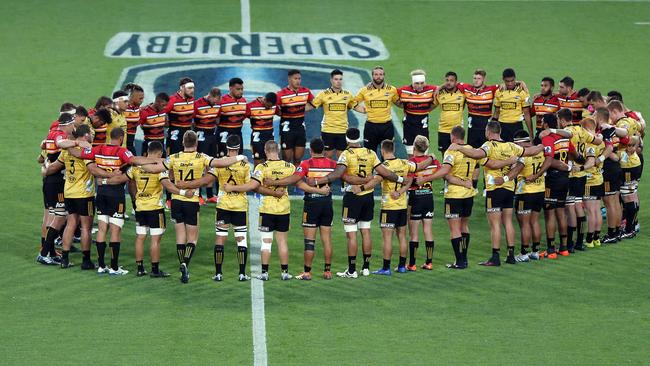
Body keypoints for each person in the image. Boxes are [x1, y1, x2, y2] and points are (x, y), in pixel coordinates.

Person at [319, 128, 431, 278]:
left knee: (351, 234)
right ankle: (366, 267)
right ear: (359, 139)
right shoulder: (371, 153)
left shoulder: (346, 154)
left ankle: (352, 270)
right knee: (366, 231)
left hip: (353, 196)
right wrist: (399, 180)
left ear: (347, 139)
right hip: (369, 198)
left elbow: (340, 174)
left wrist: (319, 181)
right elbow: (384, 172)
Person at [140, 130, 248, 283]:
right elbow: (220, 163)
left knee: (180, 237)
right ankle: (185, 262)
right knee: (192, 238)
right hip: (191, 201)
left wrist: (138, 163)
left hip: (176, 200)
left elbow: (154, 169)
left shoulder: (173, 158)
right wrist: (240, 157)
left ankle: (182, 266)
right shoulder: (201, 157)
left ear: (183, 143)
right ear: (196, 143)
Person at [448, 121, 542, 266]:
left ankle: (495, 256)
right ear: (500, 131)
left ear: (488, 131)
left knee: (495, 224)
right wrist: (544, 145)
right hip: (509, 187)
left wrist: (459, 148)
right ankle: (511, 255)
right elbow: (531, 151)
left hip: (494, 189)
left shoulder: (489, 145)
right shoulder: (511, 146)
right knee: (508, 222)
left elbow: (476, 153)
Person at [223, 141, 319, 281]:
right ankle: (285, 272)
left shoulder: (262, 167)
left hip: (267, 209)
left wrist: (233, 188)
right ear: (278, 150)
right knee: (282, 242)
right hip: (283, 210)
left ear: (265, 150)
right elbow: (301, 184)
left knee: (266, 242)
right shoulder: (289, 166)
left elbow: (254, 186)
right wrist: (318, 190)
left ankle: (265, 273)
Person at [66, 127, 154, 275]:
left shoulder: (98, 149)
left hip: (101, 193)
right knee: (115, 230)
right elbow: (134, 160)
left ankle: (101, 265)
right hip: (116, 194)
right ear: (121, 138)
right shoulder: (122, 151)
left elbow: (78, 153)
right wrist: (156, 160)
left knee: (101, 229)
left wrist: (69, 144)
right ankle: (114, 267)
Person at [174, 135, 254, 282]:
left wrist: (186, 185)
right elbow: (250, 186)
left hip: (223, 205)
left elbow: (206, 181)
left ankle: (218, 274)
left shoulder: (219, 165)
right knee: (241, 240)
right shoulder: (245, 166)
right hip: (240, 206)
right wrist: (235, 188)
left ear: (227, 147)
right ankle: (242, 274)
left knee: (220, 239)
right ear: (239, 147)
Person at [103, 141, 186, 277]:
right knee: (155, 240)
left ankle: (140, 268)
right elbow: (168, 186)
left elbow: (121, 179)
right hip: (155, 208)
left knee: (140, 237)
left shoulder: (136, 167)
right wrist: (182, 192)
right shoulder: (159, 169)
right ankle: (154, 270)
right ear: (160, 153)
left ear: (147, 152)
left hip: (140, 207)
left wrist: (105, 181)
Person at [263, 138, 337, 280]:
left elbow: (293, 180)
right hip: (328, 204)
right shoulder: (332, 164)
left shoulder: (306, 164)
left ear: (311, 150)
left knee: (310, 241)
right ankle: (327, 271)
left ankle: (307, 272)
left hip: (312, 204)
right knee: (327, 240)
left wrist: (273, 182)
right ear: (323, 150)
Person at [353, 140, 417, 275]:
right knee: (402, 236)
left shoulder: (384, 166)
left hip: (389, 207)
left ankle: (386, 268)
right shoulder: (404, 163)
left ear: (382, 151)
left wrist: (361, 188)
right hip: (402, 205)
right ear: (393, 149)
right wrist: (401, 191)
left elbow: (375, 182)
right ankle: (401, 266)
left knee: (387, 238)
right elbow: (411, 178)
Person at [38, 113, 81, 265]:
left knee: (53, 216)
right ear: (67, 124)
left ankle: (48, 252)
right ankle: (44, 253)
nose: (73, 127)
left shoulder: (51, 134)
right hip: (56, 182)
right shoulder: (60, 135)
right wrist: (77, 143)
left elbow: (42, 149)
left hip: (50, 180)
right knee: (58, 217)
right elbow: (60, 144)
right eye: (72, 125)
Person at [537, 112, 574, 259]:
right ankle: (564, 248)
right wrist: (570, 165)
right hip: (565, 179)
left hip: (552, 179)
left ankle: (551, 250)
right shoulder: (564, 138)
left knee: (549, 214)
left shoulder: (547, 138)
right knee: (561, 212)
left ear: (546, 124)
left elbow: (549, 159)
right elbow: (573, 153)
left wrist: (538, 174)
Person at [439, 126, 477, 268]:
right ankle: (464, 258)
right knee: (464, 226)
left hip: (454, 195)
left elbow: (446, 174)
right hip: (468, 194)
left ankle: (459, 261)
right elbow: (475, 171)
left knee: (455, 229)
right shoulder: (472, 149)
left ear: (453, 137)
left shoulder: (451, 151)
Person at [565, 110, 602, 252]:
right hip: (582, 176)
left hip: (570, 175)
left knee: (570, 209)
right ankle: (580, 242)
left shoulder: (567, 133)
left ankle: (569, 244)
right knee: (579, 207)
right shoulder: (586, 137)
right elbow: (592, 157)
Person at [406, 135, 442, 270]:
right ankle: (429, 262)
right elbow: (440, 171)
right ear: (427, 148)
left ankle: (412, 264)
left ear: (414, 147)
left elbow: (408, 181)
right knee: (428, 230)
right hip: (428, 197)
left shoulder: (412, 162)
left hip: (416, 198)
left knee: (414, 233)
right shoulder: (433, 162)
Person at [608, 101, 642, 238]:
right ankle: (631, 227)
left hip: (628, 165)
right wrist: (636, 141)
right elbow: (640, 130)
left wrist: (610, 129)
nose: (611, 118)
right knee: (631, 194)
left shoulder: (623, 124)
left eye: (611, 115)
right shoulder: (633, 120)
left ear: (615, 111)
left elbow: (625, 138)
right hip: (633, 162)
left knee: (628, 196)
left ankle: (629, 229)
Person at [512, 130, 546, 261]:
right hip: (540, 190)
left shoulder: (523, 155)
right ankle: (535, 251)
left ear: (520, 142)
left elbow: (515, 171)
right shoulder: (540, 151)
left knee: (525, 224)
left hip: (525, 192)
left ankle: (524, 253)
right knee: (535, 221)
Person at [311, 69, 360, 159]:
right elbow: (312, 105)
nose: (338, 82)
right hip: (328, 130)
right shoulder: (323, 94)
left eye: (340, 79)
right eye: (336, 79)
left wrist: (370, 109)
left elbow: (356, 107)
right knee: (327, 157)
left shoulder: (348, 95)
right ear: (331, 80)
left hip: (342, 130)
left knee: (342, 158)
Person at [353, 66, 399, 154]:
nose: (378, 76)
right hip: (371, 127)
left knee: (387, 154)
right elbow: (353, 102)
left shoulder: (392, 90)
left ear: (384, 76)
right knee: (369, 154)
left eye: (381, 74)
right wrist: (362, 110)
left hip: (387, 126)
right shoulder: (365, 90)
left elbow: (398, 102)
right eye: (376, 74)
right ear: (372, 76)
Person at [579, 118, 609, 247]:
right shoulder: (600, 140)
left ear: (585, 128)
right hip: (599, 178)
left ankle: (590, 239)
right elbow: (609, 148)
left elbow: (590, 161)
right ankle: (596, 238)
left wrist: (580, 167)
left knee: (591, 212)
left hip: (590, 181)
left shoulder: (590, 143)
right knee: (596, 210)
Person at [276, 69, 314, 165]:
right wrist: (283, 113)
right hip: (286, 129)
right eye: (295, 78)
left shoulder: (306, 91)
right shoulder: (281, 94)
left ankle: (296, 179)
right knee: (287, 160)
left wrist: (300, 110)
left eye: (299, 78)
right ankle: (287, 178)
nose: (298, 81)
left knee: (298, 159)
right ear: (289, 79)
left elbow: (314, 103)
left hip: (300, 128)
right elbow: (274, 109)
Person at [396, 70, 437, 156]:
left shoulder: (431, 90)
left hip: (423, 128)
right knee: (410, 154)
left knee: (423, 155)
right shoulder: (404, 91)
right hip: (409, 127)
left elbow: (443, 90)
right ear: (412, 82)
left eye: (422, 83)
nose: (419, 86)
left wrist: (427, 109)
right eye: (417, 83)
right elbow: (391, 94)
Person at [457, 69, 499, 149]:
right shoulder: (467, 89)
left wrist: (521, 83)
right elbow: (451, 84)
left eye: (479, 79)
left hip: (486, 129)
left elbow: (506, 85)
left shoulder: (491, 90)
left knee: (486, 151)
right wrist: (440, 87)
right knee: (472, 151)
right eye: (474, 78)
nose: (476, 81)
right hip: (472, 129)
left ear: (483, 79)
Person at [194, 87, 221, 203]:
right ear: (209, 95)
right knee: (200, 165)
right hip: (200, 135)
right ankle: (198, 195)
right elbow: (191, 120)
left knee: (211, 165)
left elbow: (218, 118)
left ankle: (210, 195)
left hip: (212, 135)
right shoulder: (197, 104)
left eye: (217, 102)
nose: (215, 104)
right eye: (214, 101)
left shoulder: (217, 105)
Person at [492, 68, 532, 142]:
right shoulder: (499, 92)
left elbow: (527, 115)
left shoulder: (522, 92)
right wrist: (492, 131)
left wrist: (531, 136)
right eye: (507, 81)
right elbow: (496, 113)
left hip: (517, 126)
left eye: (512, 80)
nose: (510, 83)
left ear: (515, 79)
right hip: (502, 127)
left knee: (518, 151)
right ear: (503, 80)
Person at [433, 71, 465, 152]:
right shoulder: (439, 94)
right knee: (444, 154)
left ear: (456, 82)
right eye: (447, 80)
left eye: (451, 80)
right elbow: (431, 106)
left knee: (458, 154)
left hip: (458, 131)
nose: (448, 83)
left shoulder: (463, 93)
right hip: (443, 130)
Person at [164, 77, 195, 155]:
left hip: (188, 135)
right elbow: (161, 112)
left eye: (193, 88)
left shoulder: (191, 100)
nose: (192, 90)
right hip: (175, 136)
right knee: (174, 160)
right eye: (189, 88)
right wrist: (166, 123)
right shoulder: (172, 100)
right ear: (182, 88)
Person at [217, 78, 248, 156]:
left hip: (238, 134)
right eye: (238, 89)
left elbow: (242, 117)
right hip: (224, 135)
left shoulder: (243, 101)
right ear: (230, 88)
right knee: (223, 158)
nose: (241, 91)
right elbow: (215, 119)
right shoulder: (221, 101)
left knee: (239, 158)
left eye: (242, 89)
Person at [248, 92, 278, 166]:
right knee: (259, 164)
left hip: (270, 137)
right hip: (257, 139)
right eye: (268, 105)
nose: (269, 108)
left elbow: (280, 112)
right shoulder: (251, 106)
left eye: (271, 106)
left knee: (270, 162)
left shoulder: (274, 107)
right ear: (265, 100)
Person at [531, 77, 560, 142]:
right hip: (538, 134)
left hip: (551, 135)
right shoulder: (537, 100)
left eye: (545, 86)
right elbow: (530, 114)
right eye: (542, 85)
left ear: (552, 88)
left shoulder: (557, 101)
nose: (543, 88)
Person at [123, 83, 144, 155]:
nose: (142, 101)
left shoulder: (138, 109)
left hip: (130, 144)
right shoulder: (123, 108)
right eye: (140, 98)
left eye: (143, 98)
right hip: (121, 144)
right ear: (132, 97)